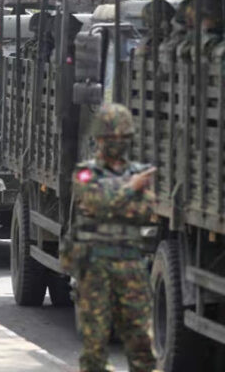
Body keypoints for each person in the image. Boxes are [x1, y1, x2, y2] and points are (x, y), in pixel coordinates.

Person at [68, 103, 157, 372]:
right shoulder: (85, 172)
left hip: (131, 269)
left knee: (142, 348)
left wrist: (113, 196)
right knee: (95, 350)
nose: (117, 142)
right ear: (100, 138)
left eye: (122, 137)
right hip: (94, 270)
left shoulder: (138, 172)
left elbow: (145, 212)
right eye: (111, 136)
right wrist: (131, 189)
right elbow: (95, 201)